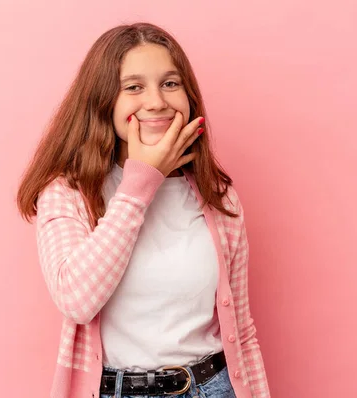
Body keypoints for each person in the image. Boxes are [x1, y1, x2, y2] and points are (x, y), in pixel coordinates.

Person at [16, 22, 270, 398]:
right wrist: (140, 182)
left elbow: (243, 331)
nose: (156, 102)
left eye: (170, 83)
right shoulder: (68, 193)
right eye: (133, 87)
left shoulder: (217, 196)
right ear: (103, 100)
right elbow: (76, 300)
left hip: (213, 387)